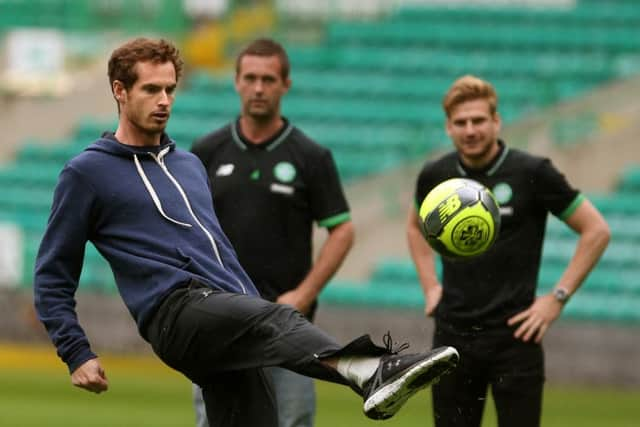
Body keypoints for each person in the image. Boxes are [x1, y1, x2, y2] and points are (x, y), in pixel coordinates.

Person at [33, 37, 460, 427]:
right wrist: (76, 352)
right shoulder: (87, 172)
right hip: (175, 313)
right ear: (119, 91)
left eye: (169, 89)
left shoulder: (188, 164)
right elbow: (53, 274)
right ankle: (369, 369)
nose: (164, 100)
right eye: (150, 90)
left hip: (228, 314)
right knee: (279, 316)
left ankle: (363, 369)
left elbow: (217, 250)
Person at [406, 75, 610, 427]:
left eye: (479, 120)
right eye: (461, 123)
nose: (470, 130)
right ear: (449, 128)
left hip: (516, 337)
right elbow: (414, 226)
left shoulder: (533, 172)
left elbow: (596, 230)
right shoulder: (435, 176)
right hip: (453, 336)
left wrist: (556, 298)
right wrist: (430, 286)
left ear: (496, 121)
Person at [189, 38, 353, 427]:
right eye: (250, 78)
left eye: (268, 79)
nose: (258, 88)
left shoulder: (310, 156)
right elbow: (187, 228)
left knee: (291, 421)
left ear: (285, 84)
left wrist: (305, 294)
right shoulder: (207, 151)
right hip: (220, 323)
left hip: (285, 327)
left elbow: (342, 231)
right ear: (236, 82)